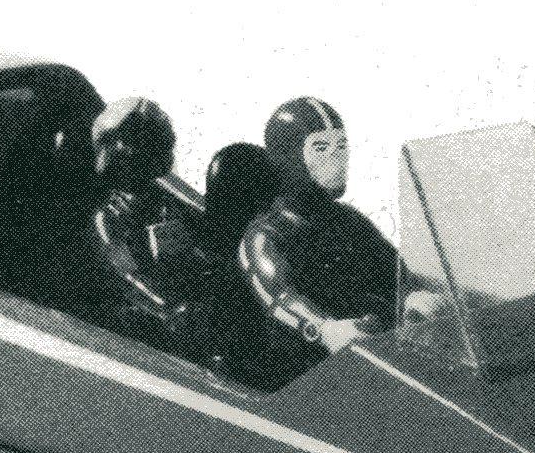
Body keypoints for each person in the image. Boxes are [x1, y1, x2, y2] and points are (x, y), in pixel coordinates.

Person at [238, 98, 447, 360]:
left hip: (374, 348)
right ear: (289, 157)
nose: (337, 157)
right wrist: (323, 328)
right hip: (313, 367)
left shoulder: (349, 219)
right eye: (320, 148)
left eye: (341, 145)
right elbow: (279, 297)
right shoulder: (263, 237)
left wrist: (412, 296)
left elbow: (393, 271)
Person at [88, 96, 202, 346]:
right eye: (134, 141)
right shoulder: (109, 217)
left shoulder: (170, 202)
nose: (136, 152)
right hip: (151, 318)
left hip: (188, 308)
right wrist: (168, 309)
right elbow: (124, 271)